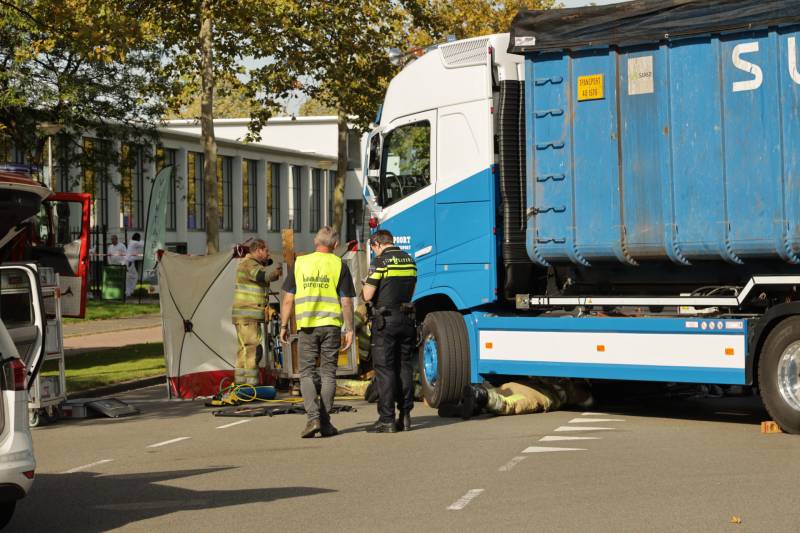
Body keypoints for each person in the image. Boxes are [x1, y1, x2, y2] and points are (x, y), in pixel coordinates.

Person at [280, 226, 355, 438]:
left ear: (315, 242)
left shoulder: (300, 263)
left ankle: (313, 419)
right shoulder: (339, 265)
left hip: (307, 326)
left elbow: (288, 298)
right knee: (329, 373)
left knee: (306, 373)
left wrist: (284, 326)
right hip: (331, 326)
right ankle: (325, 421)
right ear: (336, 245)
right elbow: (346, 301)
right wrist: (349, 329)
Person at [362, 229, 417, 433]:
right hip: (407, 319)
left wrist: (364, 287)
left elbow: (368, 295)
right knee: (404, 367)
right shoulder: (409, 260)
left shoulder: (381, 262)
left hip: (385, 321)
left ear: (377, 243)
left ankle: (387, 419)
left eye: (373, 248)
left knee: (385, 371)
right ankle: (405, 415)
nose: (374, 251)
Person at [232, 238, 282, 385]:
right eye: (266, 251)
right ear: (258, 250)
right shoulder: (249, 264)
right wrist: (277, 273)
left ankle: (241, 384)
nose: (268, 253)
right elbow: (262, 276)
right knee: (252, 349)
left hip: (243, 316)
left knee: (244, 350)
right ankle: (252, 385)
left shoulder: (248, 264)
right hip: (249, 315)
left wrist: (268, 263)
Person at [125, 232, 144, 297]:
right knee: (134, 277)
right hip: (129, 262)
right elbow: (143, 244)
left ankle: (128, 292)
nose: (140, 239)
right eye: (139, 238)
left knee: (129, 278)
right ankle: (129, 292)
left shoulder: (131, 242)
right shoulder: (134, 243)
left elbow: (141, 243)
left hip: (128, 262)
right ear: (137, 238)